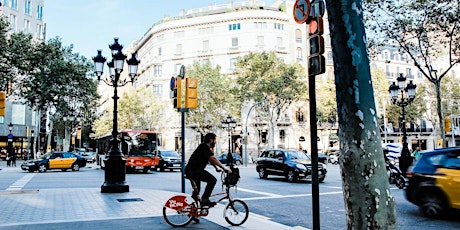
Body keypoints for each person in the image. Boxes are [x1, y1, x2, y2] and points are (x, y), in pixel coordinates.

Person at [185, 133, 231, 206]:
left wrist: (216, 168)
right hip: (194, 171)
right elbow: (213, 158)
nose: (215, 142)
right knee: (212, 180)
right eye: (215, 140)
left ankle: (192, 212)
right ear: (210, 140)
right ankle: (205, 199)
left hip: (193, 171)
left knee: (197, 192)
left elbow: (209, 159)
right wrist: (223, 167)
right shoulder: (205, 147)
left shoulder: (203, 147)